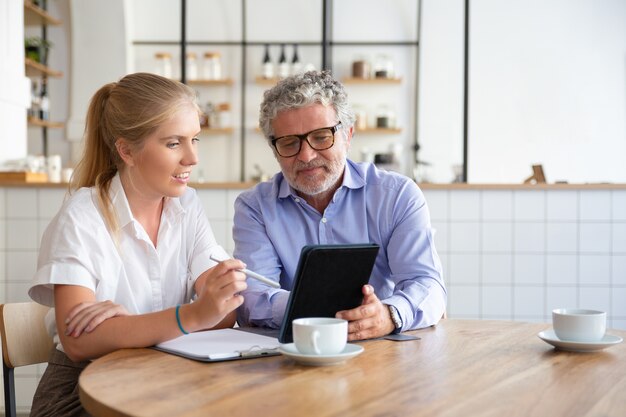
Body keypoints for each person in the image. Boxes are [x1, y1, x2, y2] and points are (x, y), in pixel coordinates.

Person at [28, 72, 247, 417]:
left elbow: (221, 310)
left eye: (195, 139)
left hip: (160, 376)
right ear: (127, 150)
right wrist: (192, 314)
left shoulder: (186, 205)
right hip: (81, 392)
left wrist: (132, 326)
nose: (192, 158)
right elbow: (77, 342)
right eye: (174, 143)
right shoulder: (82, 216)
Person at [233, 70, 446, 341]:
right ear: (275, 150)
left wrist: (389, 314)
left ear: (348, 135)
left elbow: (427, 285)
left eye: (321, 137)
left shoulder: (398, 195)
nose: (307, 156)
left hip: (381, 351)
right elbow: (251, 298)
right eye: (289, 143)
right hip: (295, 354)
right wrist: (325, 308)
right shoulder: (254, 208)